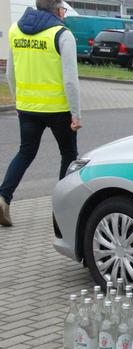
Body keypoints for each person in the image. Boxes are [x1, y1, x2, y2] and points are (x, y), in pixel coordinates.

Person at [0, 0, 82, 227]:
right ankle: (61, 213)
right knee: (68, 154)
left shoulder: (15, 29)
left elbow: (9, 73)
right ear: (57, 9)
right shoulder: (62, 34)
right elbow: (70, 80)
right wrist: (76, 114)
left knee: (25, 153)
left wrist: (19, 102)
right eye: (63, 10)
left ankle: (3, 197)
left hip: (27, 108)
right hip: (59, 110)